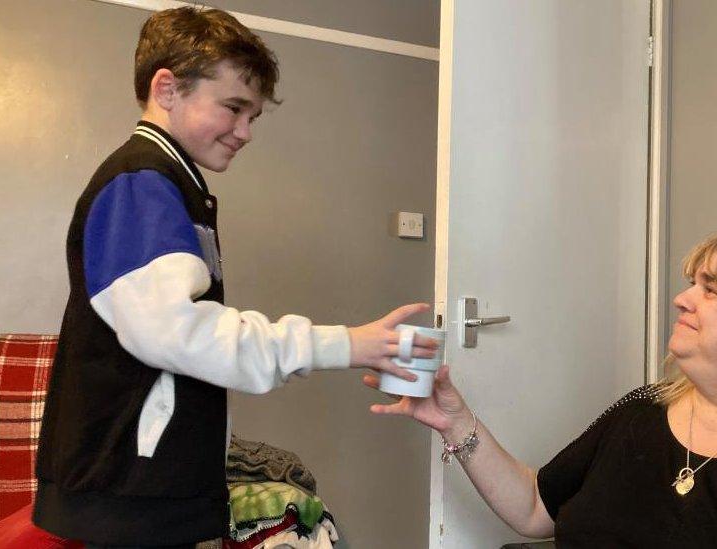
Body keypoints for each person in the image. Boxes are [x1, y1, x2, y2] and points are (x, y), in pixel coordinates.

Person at [32, 7, 436, 547]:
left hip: (143, 489)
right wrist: (345, 343)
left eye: (254, 117)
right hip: (128, 492)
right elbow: (180, 334)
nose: (245, 132)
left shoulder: (171, 183)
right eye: (234, 108)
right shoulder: (142, 183)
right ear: (167, 88)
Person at [365, 228, 717, 547]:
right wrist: (456, 421)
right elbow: (538, 507)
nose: (683, 299)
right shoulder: (643, 410)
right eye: (689, 284)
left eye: (712, 289)